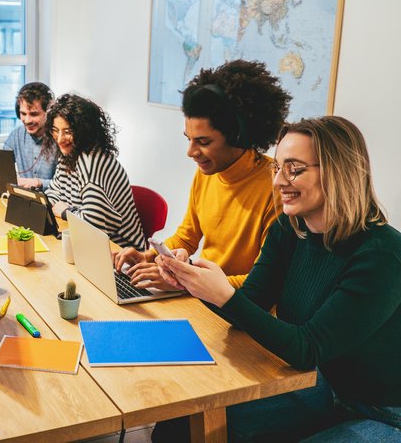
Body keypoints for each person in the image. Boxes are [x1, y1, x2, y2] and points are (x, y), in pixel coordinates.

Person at [152, 116, 401, 442]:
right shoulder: (288, 228)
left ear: (340, 173)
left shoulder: (382, 254)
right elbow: (250, 305)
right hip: (320, 386)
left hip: (380, 411)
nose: (279, 181)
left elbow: (306, 348)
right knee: (179, 424)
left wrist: (224, 294)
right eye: (277, 168)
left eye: (294, 169)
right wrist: (192, 282)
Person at [115, 59, 290, 289]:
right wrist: (148, 256)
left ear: (239, 136)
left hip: (237, 310)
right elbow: (187, 237)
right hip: (201, 296)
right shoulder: (206, 173)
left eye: (203, 141)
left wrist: (186, 282)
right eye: (189, 139)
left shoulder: (277, 189)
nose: (191, 152)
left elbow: (262, 285)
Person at [44, 94, 145, 250]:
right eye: (56, 130)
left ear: (84, 130)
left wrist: (66, 212)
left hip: (120, 252)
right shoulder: (70, 155)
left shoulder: (91, 164)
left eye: (68, 131)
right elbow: (54, 192)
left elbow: (93, 224)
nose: (59, 139)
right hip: (88, 242)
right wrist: (62, 207)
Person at [3, 82, 58, 189]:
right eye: (23, 114)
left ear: (49, 113)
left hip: (52, 201)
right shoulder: (16, 135)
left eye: (34, 114)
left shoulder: (60, 138)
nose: (27, 121)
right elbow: (1, 168)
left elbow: (66, 185)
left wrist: (39, 183)